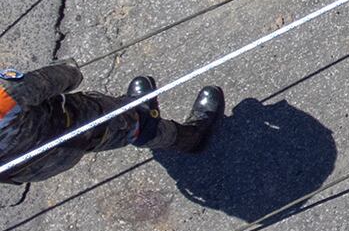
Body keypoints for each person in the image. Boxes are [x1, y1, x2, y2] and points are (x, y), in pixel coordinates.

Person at [1, 63, 222, 185]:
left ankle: (132, 109)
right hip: (76, 124)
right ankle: (187, 138)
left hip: (29, 170)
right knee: (126, 125)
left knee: (95, 138)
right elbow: (60, 78)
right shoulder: (3, 97)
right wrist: (72, 71)